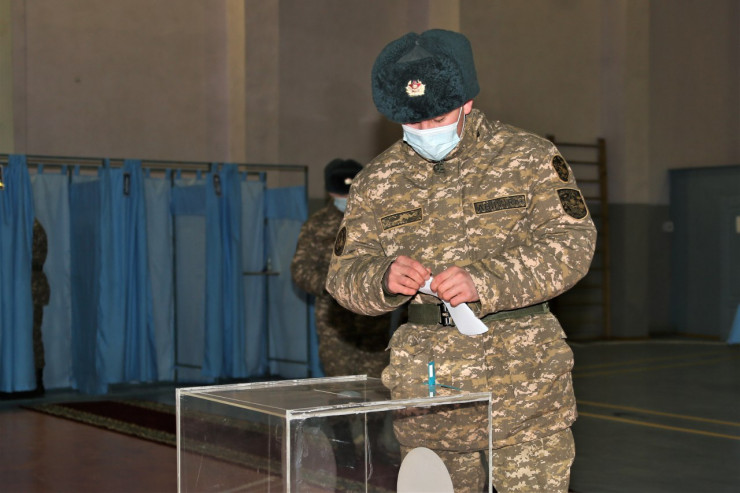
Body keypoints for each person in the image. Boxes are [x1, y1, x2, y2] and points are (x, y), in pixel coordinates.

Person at [326, 29, 597, 492]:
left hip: (523, 380)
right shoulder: (377, 180)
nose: (426, 132)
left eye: (438, 117)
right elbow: (343, 274)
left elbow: (572, 243)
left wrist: (484, 281)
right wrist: (381, 277)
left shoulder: (528, 157)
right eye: (413, 123)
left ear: (467, 101)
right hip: (429, 389)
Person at [291, 158, 393, 378]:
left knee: (375, 385)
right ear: (330, 192)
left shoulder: (380, 221)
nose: (346, 199)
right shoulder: (317, 224)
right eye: (341, 194)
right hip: (334, 322)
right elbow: (300, 268)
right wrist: (332, 285)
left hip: (374, 322)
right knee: (339, 386)